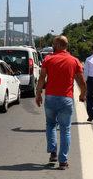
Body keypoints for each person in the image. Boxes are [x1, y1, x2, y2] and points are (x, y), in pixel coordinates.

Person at [35, 35, 86, 170]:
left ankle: (53, 153)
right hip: (66, 99)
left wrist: (38, 94)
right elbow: (81, 81)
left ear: (57, 45)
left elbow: (41, 78)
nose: (52, 45)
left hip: (51, 98)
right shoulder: (74, 61)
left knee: (51, 125)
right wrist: (83, 94)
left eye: (53, 43)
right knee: (65, 130)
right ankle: (63, 161)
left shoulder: (48, 59)